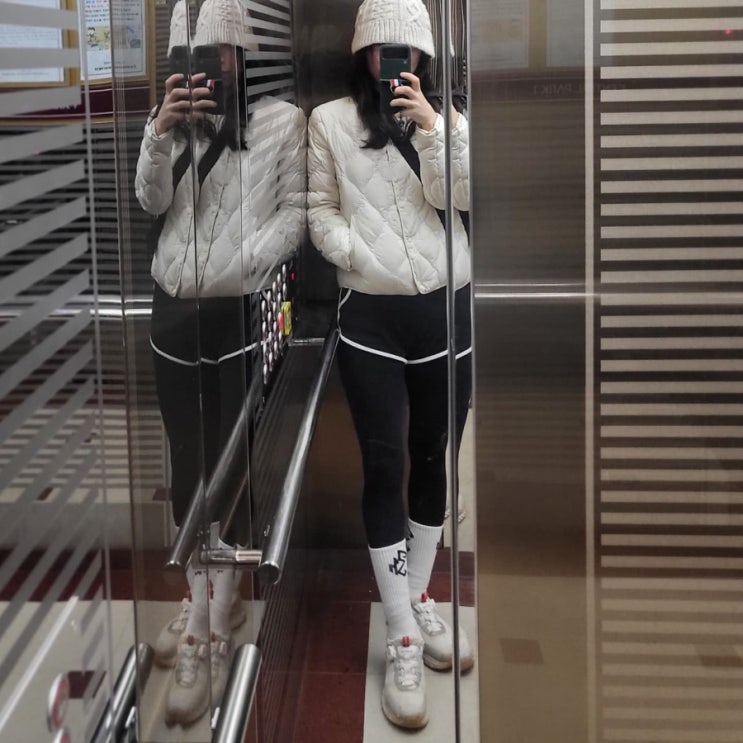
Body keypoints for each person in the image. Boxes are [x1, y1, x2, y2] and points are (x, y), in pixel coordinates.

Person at [135, 0, 306, 727]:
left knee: (228, 463)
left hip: (236, 314)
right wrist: (158, 133)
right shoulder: (171, 121)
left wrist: (242, 263)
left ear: (239, 55)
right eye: (192, 59)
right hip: (172, 310)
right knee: (186, 459)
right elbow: (151, 203)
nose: (206, 70)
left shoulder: (280, 124)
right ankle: (201, 598)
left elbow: (295, 215)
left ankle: (213, 621)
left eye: (216, 55)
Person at [307, 0, 473, 731]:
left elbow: (461, 196)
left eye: (405, 49)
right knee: (382, 466)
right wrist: (355, 256)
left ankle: (417, 595)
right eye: (380, 48)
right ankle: (402, 632)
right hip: (370, 318)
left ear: (424, 55)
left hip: (446, 313)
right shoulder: (329, 122)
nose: (391, 60)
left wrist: (434, 128)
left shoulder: (449, 119)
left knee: (435, 457)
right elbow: (318, 209)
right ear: (360, 53)